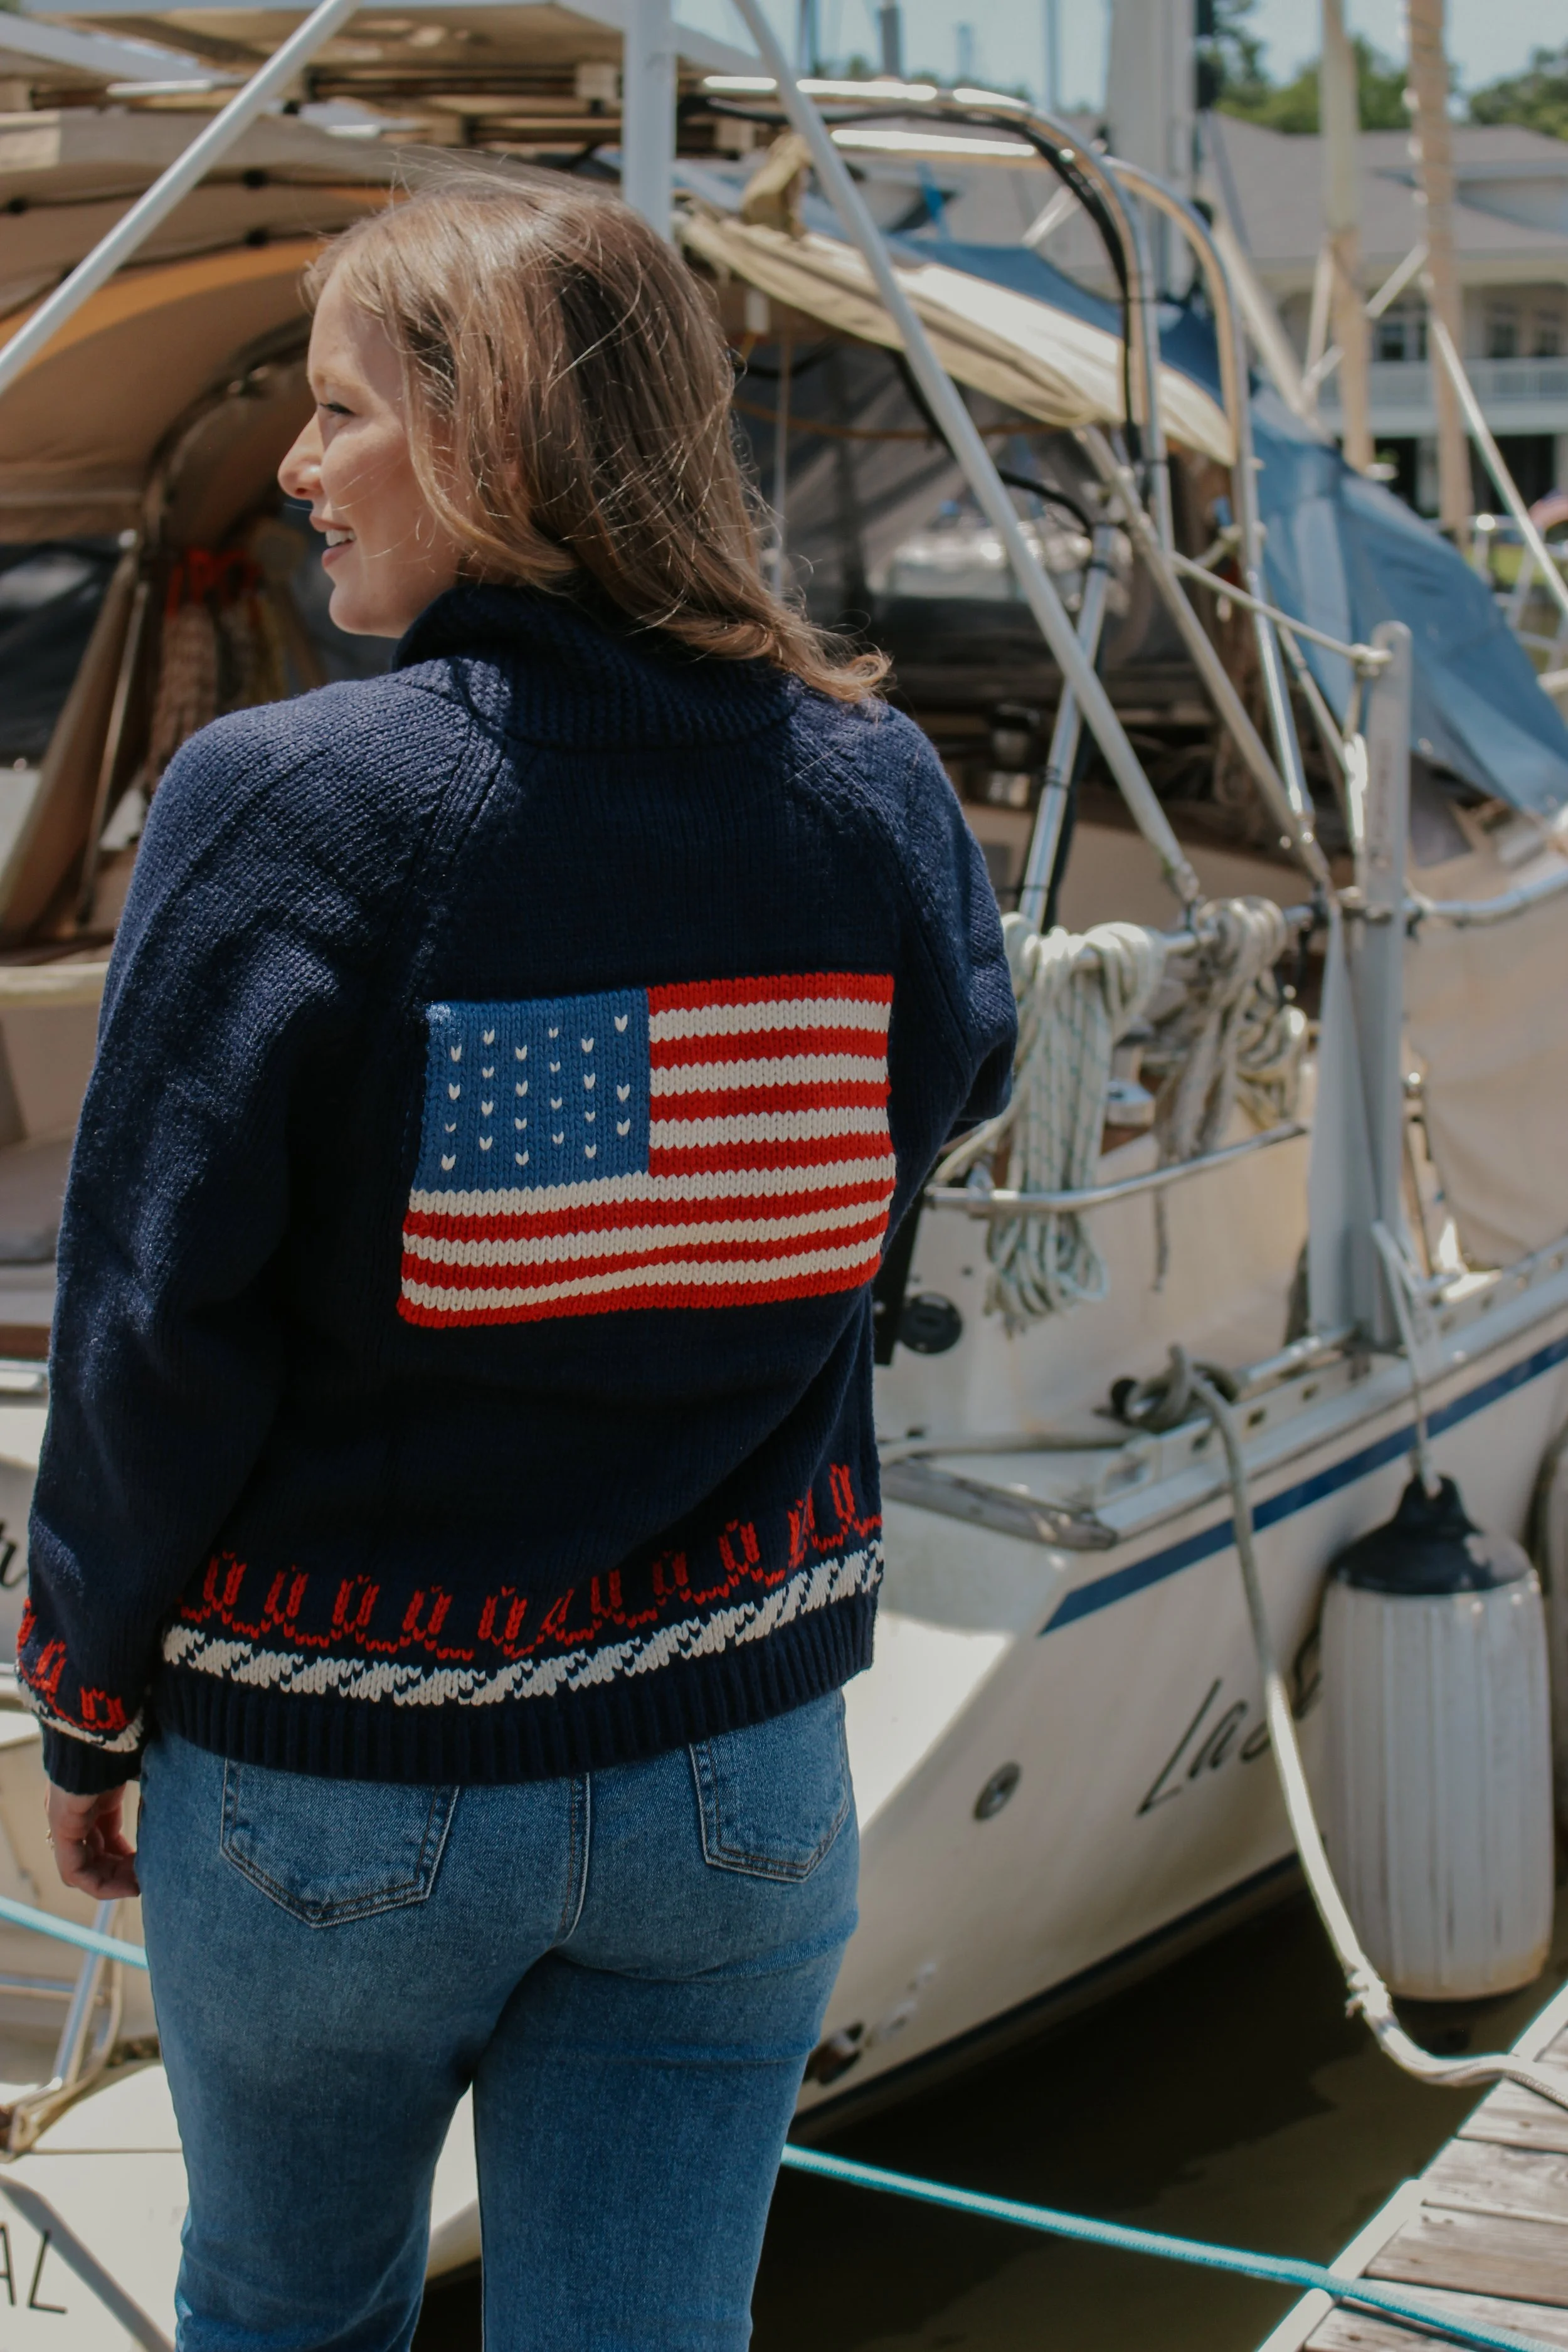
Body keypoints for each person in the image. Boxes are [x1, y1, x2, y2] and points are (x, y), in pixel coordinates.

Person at [23, 170, 1015, 2349]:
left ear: (493, 442)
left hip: (335, 1793)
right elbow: (944, 1095)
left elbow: (149, 1323)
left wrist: (86, 1702)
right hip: (734, 1780)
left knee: (286, 2314)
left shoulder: (292, 803)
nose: (296, 466)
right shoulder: (876, 793)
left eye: (339, 407)